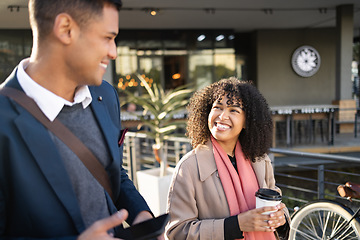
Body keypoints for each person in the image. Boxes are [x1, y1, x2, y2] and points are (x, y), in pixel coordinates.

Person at [0, 0, 157, 239]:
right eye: (107, 37)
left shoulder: (105, 94)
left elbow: (112, 172)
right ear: (65, 29)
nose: (113, 52)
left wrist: (140, 213)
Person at [165, 77, 290, 240]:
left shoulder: (260, 160)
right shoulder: (188, 167)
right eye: (217, 107)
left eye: (234, 110)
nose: (222, 116)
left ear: (247, 121)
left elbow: (276, 201)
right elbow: (177, 231)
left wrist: (282, 220)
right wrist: (236, 225)